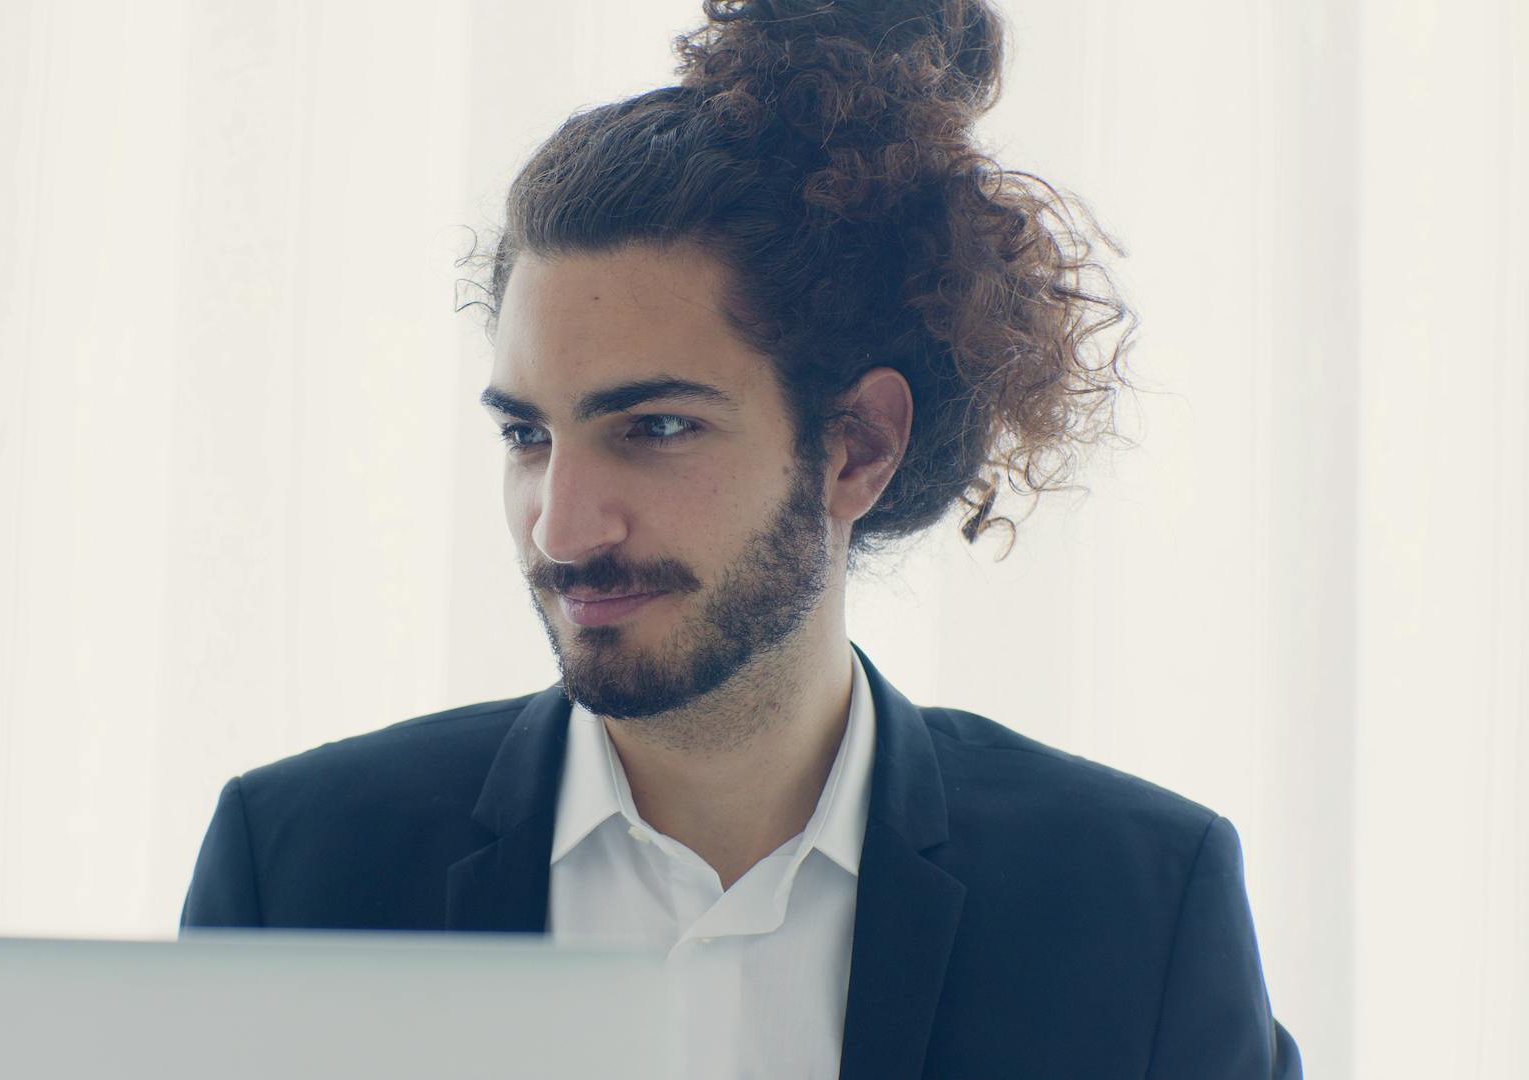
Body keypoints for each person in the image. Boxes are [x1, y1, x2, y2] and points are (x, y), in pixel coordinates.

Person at [181, 1, 1302, 1076]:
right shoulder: (300, 869)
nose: (562, 526)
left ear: (857, 446)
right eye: (528, 434)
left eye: (655, 427)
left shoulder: (1138, 902)